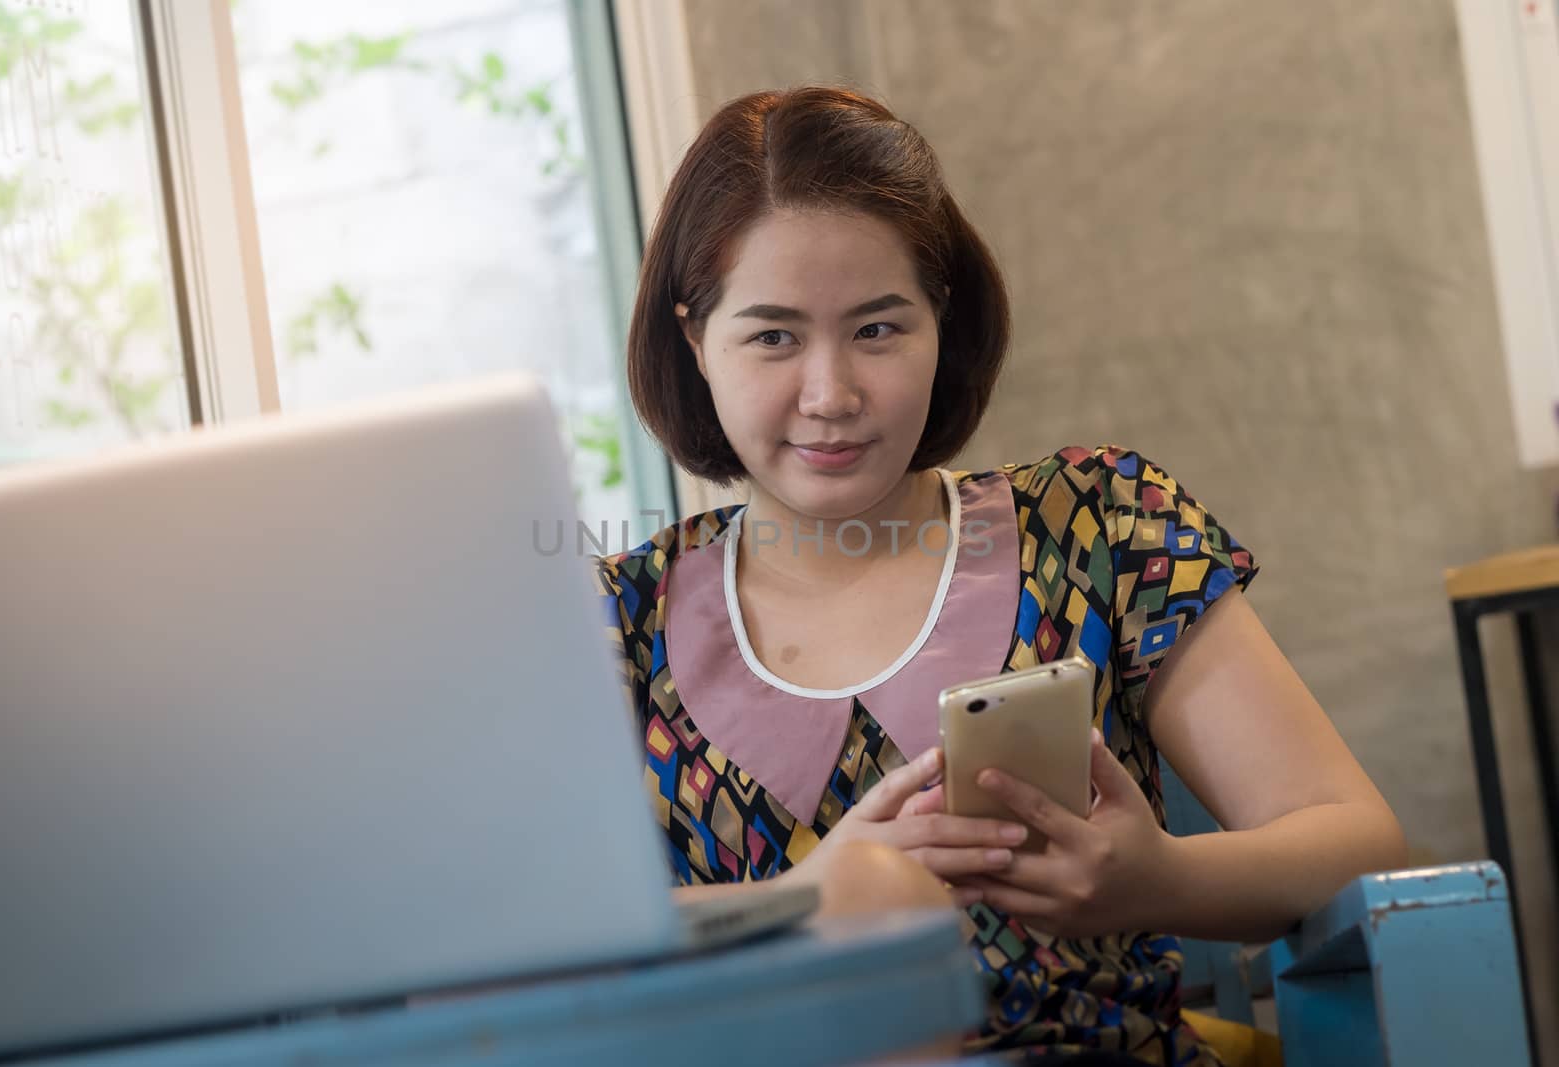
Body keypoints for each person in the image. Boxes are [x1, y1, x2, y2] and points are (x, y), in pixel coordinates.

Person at [595, 86, 1406, 1065]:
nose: (831, 393)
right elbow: (540, 948)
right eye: (772, 335)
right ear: (693, 339)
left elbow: (1358, 840)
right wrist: (813, 899)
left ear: (942, 315)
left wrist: (1159, 880)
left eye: (878, 328)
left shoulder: (1101, 521)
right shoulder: (615, 618)